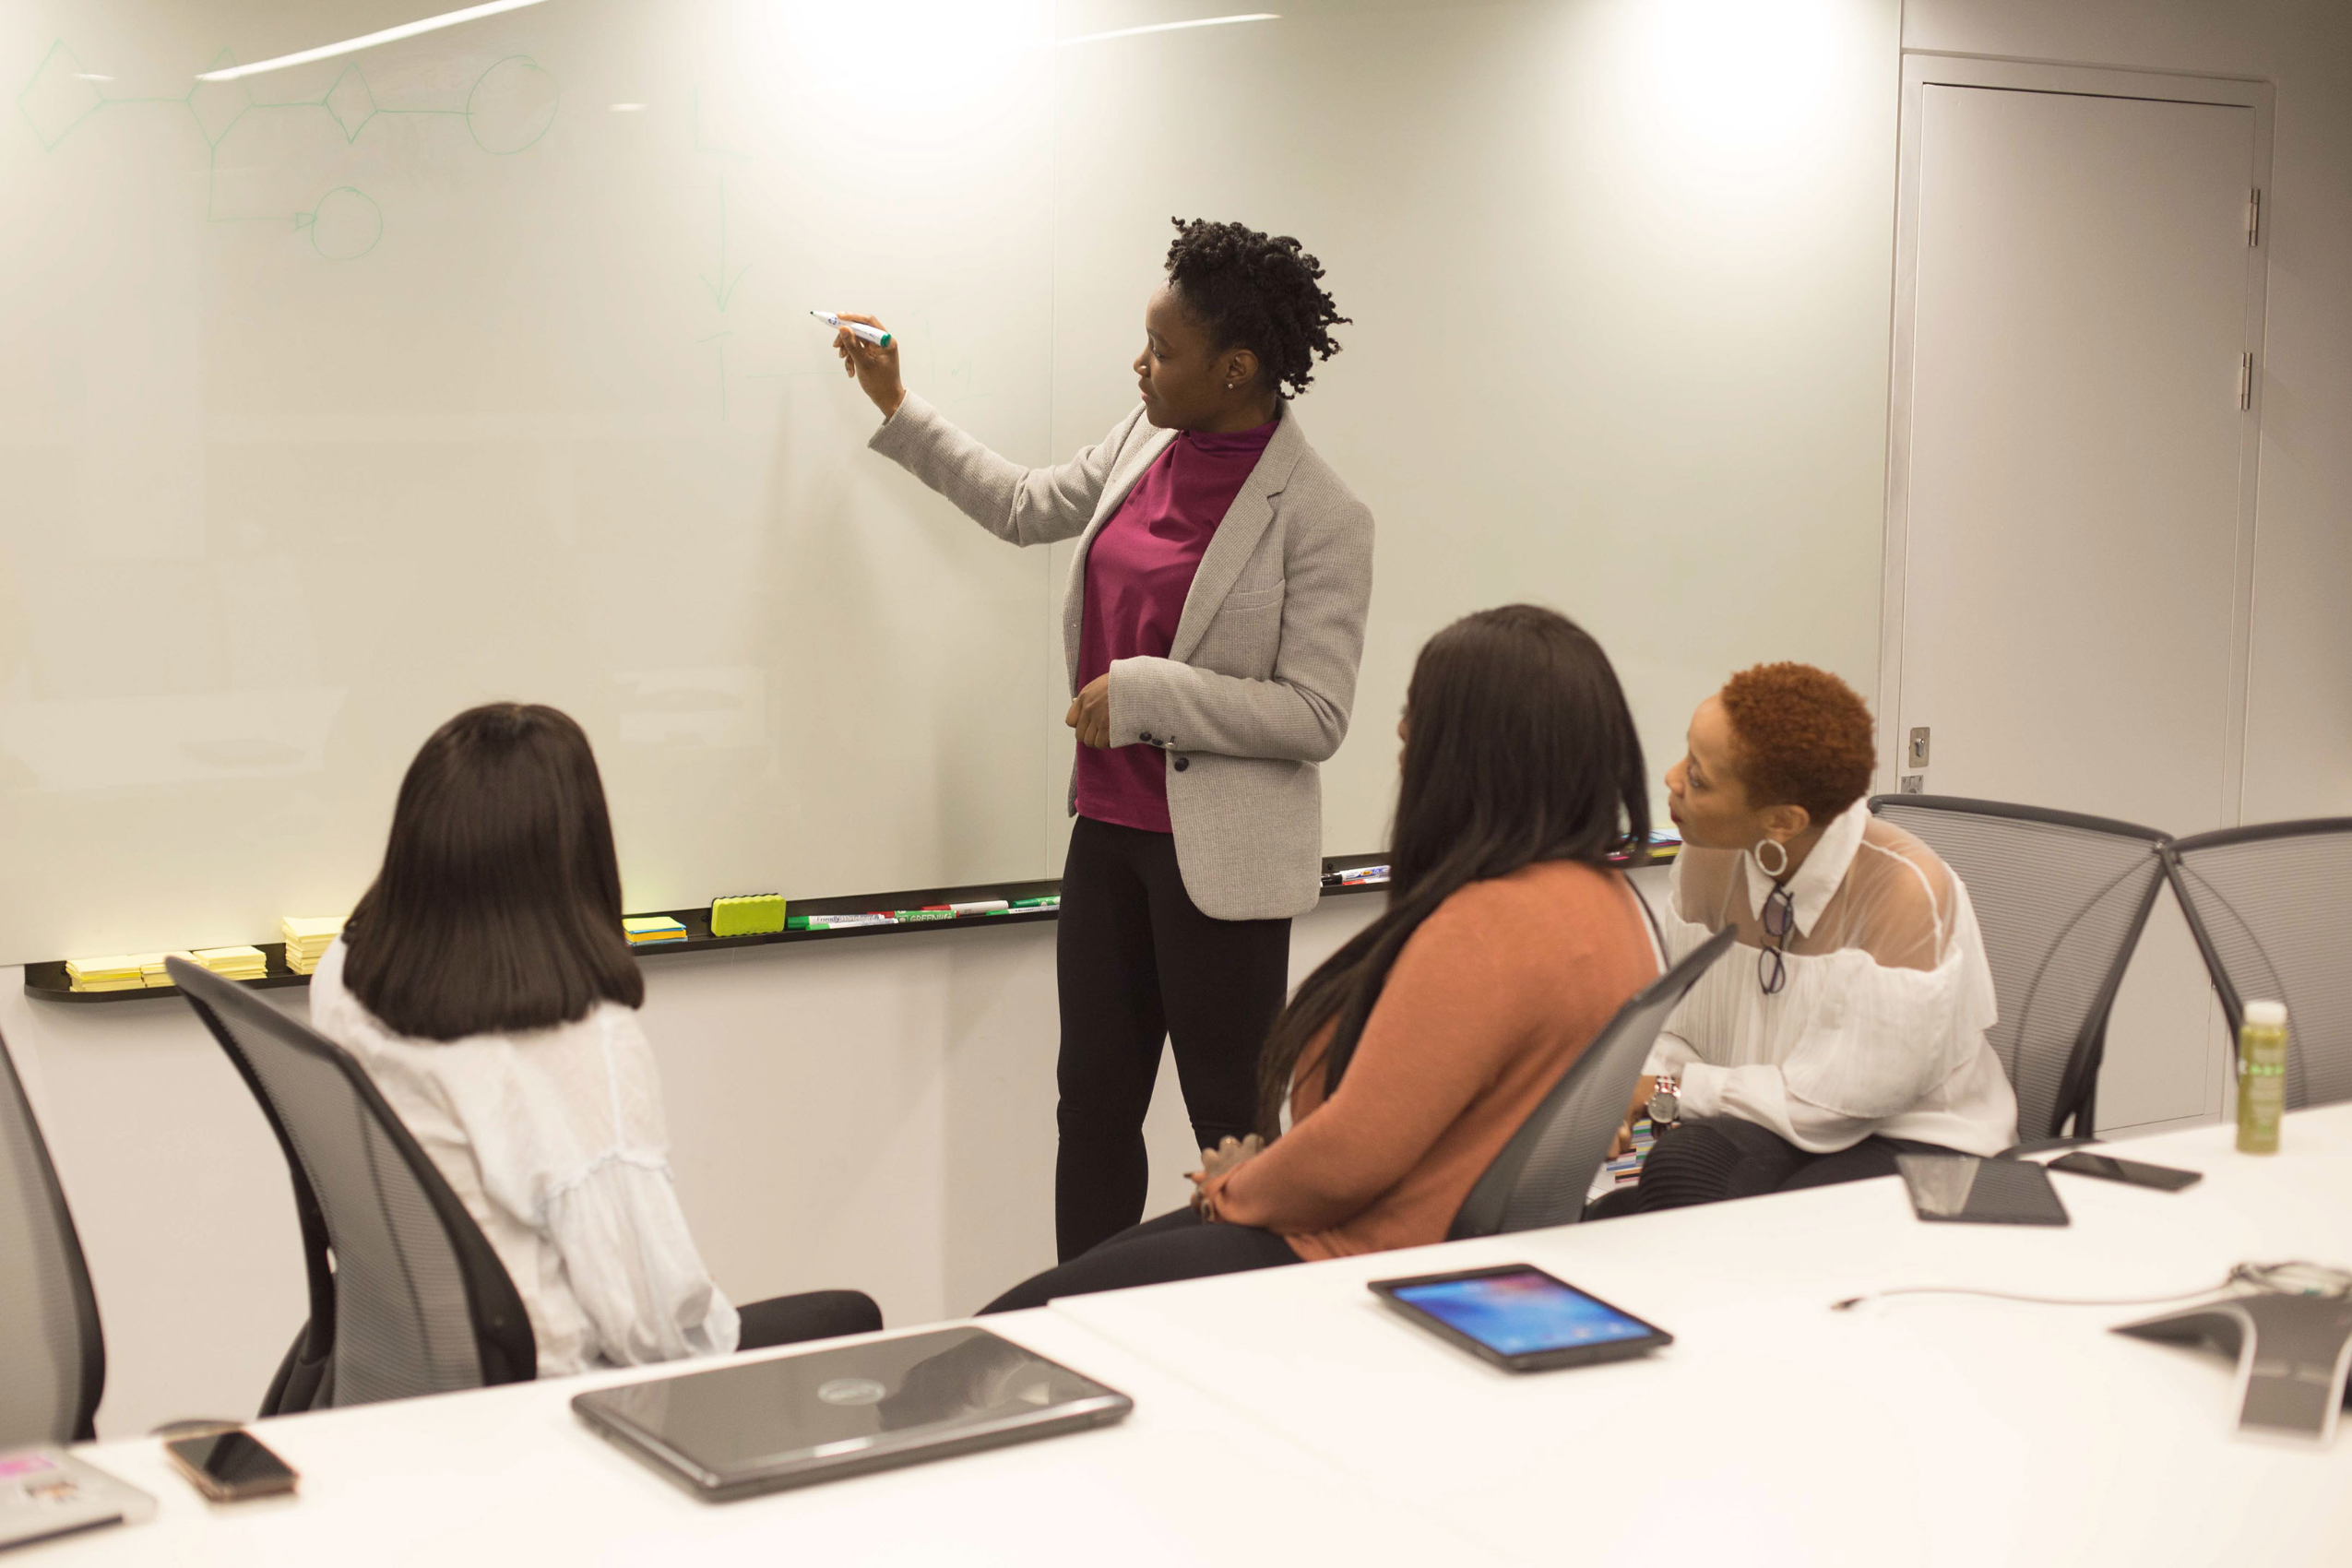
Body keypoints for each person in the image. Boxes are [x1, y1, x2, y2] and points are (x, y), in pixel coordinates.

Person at [834, 218, 1374, 1262]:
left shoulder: (1320, 515)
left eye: (1164, 351)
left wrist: (1148, 693)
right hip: (1110, 840)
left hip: (1220, 868)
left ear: (1238, 368)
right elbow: (1028, 503)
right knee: (1090, 1110)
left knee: (1232, 1129)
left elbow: (1316, 714)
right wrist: (900, 406)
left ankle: (1242, 1321)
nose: (1142, 365)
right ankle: (1082, 1321)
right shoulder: (1145, 437)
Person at [981, 606, 1658, 1311]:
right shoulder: (1608, 904)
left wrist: (1236, 1185)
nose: (1401, 732)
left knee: (1017, 1323)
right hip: (1409, 1238)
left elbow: (1350, 1155)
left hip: (1350, 1254)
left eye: (1418, 712)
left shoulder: (1486, 928)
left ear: (1481, 747)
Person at [310, 703, 879, 1376]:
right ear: (576, 853)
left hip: (420, 1379)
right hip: (566, 1401)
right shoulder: (581, 1046)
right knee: (854, 1320)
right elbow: (648, 1330)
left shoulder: (342, 975)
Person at [1595, 664, 2015, 1216]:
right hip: (1765, 1124)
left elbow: (1833, 1104)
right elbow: (1679, 1026)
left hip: (1913, 1140)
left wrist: (1665, 1092)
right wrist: (1636, 1092)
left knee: (1705, 1186)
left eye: (1698, 778)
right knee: (1619, 1202)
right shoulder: (1705, 859)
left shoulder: (1907, 892)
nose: (1672, 779)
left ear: (1784, 822)